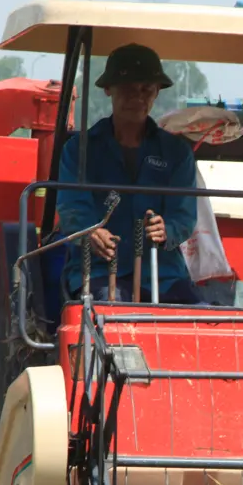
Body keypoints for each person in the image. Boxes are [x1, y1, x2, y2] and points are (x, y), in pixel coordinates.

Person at [56, 44, 202, 304]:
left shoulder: (177, 152)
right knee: (106, 321)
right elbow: (72, 208)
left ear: (157, 93)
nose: (137, 97)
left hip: (163, 275)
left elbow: (184, 215)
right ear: (108, 89)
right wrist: (91, 232)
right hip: (98, 272)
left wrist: (166, 229)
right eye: (128, 89)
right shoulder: (79, 150)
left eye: (146, 89)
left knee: (200, 322)